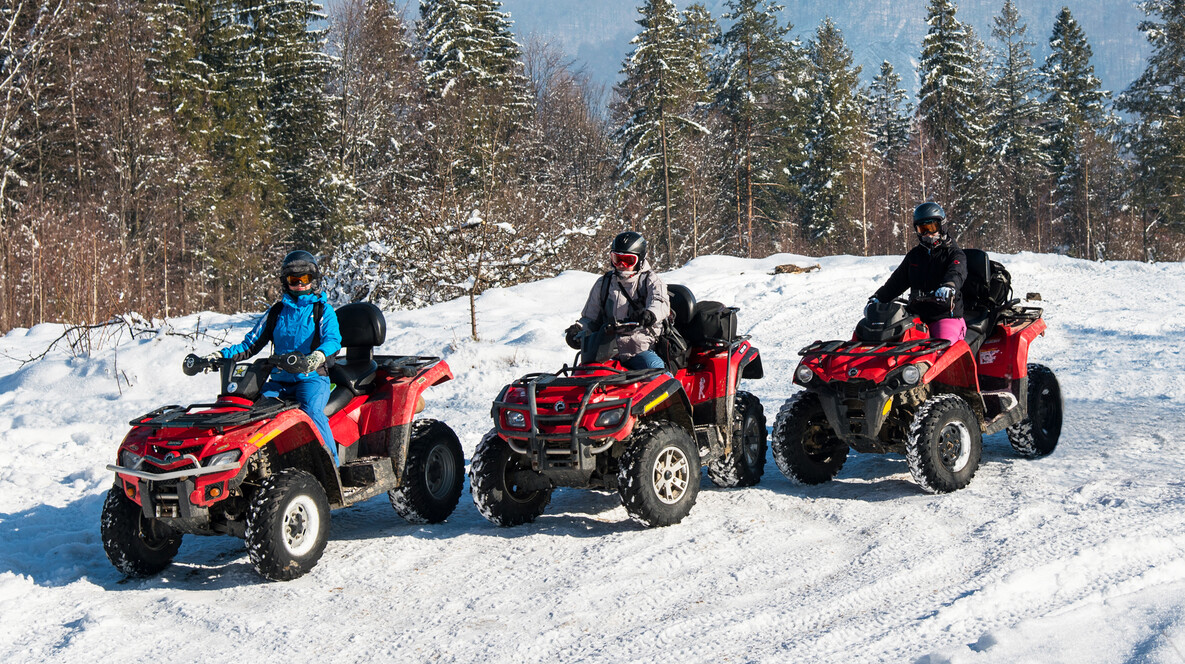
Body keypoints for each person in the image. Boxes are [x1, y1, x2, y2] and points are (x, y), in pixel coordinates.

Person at [203, 250, 343, 464]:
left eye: (304, 279)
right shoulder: (276, 312)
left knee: (311, 411)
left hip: (312, 378)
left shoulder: (322, 311)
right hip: (279, 380)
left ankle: (331, 463)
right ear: (285, 282)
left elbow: (332, 340)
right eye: (293, 280)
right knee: (251, 411)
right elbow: (250, 343)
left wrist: (316, 357)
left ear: (313, 280)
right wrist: (219, 355)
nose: (299, 285)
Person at [565, 231, 671, 370]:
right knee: (582, 376)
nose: (621, 264)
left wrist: (650, 314)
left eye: (628, 260)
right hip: (605, 351)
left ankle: (673, 389)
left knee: (655, 371)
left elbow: (660, 302)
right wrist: (578, 330)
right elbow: (590, 318)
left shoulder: (650, 281)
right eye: (617, 259)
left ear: (639, 260)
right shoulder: (604, 283)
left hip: (640, 348)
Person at [870, 202, 968, 344]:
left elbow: (957, 272)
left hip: (945, 315)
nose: (928, 234)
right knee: (891, 344)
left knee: (943, 346)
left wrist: (949, 286)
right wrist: (878, 298)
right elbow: (897, 282)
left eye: (932, 227)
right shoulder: (914, 256)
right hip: (916, 316)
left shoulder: (954, 254)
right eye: (923, 229)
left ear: (942, 226)